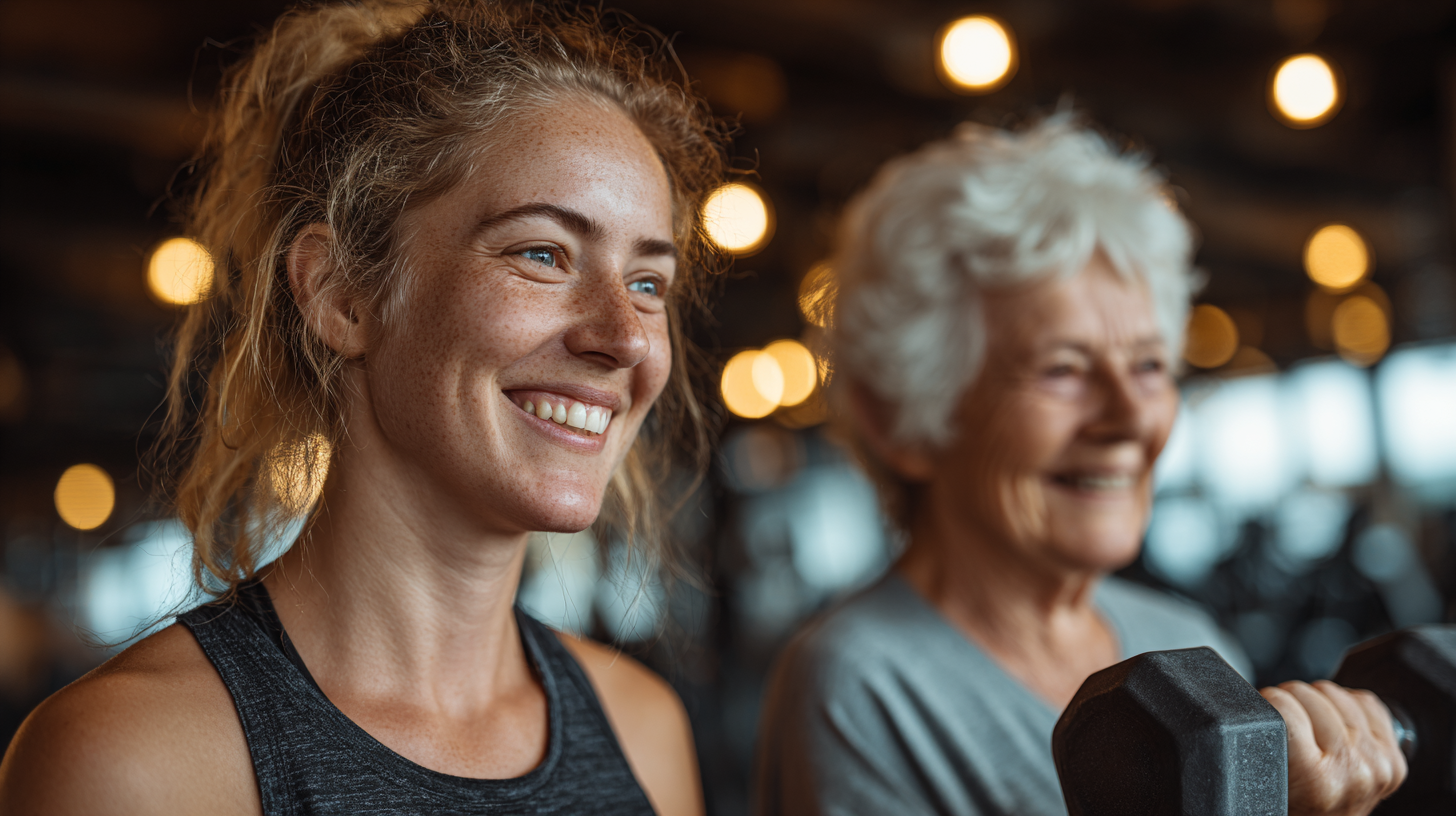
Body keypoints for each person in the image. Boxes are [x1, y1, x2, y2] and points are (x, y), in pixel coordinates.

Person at [0, 2, 726, 813]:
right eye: (542, 253)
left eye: (647, 283)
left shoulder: (644, 731)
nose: (625, 338)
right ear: (342, 294)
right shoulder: (134, 762)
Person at [755, 117, 1408, 816]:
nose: (1131, 417)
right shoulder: (860, 681)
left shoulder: (1186, 641)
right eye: (1063, 369)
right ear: (901, 420)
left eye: (1149, 365)